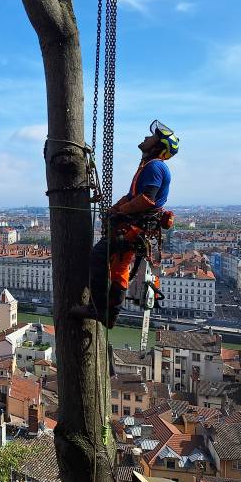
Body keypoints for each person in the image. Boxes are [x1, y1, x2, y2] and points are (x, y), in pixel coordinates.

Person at [71, 120, 179, 328]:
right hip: (135, 229)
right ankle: (110, 316)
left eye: (152, 137)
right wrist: (116, 208)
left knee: (98, 258)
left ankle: (98, 308)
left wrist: (119, 212)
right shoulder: (149, 166)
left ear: (158, 146)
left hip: (132, 227)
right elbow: (133, 196)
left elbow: (147, 198)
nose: (147, 138)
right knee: (119, 269)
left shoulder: (155, 166)